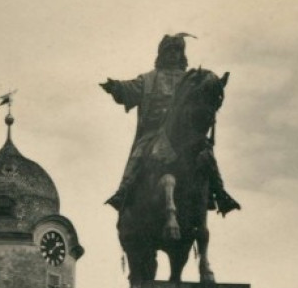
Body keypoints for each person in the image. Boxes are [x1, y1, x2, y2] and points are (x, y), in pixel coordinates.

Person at [102, 34, 241, 215]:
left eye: (177, 50)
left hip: (185, 132)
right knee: (139, 152)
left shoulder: (190, 79)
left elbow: (204, 94)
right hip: (154, 131)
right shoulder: (150, 78)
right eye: (169, 50)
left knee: (206, 151)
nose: (173, 54)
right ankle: (124, 189)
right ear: (162, 54)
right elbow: (133, 88)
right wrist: (117, 87)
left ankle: (219, 193)